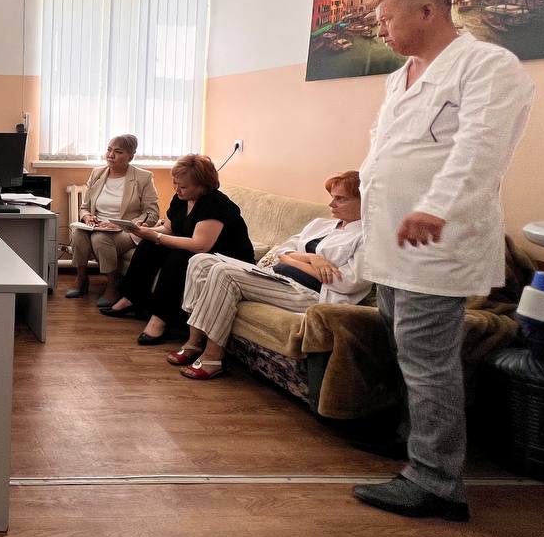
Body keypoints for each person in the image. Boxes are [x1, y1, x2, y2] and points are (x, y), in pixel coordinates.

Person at [352, 0, 534, 521]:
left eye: (386, 20)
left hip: (436, 239)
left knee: (428, 362)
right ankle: (412, 440)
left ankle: (437, 482)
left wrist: (437, 206)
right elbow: (387, 148)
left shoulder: (487, 66)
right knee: (405, 352)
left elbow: (481, 147)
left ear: (428, 12)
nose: (381, 31)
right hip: (391, 239)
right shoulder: (399, 77)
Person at [170, 171, 369, 379]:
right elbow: (283, 252)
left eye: (340, 199)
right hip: (279, 277)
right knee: (201, 261)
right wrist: (312, 259)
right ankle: (194, 341)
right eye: (332, 197)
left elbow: (348, 283)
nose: (331, 204)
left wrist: (294, 261)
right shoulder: (320, 224)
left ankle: (213, 357)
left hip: (311, 293)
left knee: (223, 272)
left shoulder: (366, 237)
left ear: (364, 201)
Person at [107, 154, 254, 344]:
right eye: (175, 183)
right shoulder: (180, 199)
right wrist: (144, 232)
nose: (177, 189)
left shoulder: (215, 204)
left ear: (202, 186)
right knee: (148, 245)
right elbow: (168, 229)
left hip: (226, 258)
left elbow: (200, 245)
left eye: (183, 186)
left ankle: (160, 318)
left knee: (178, 258)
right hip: (196, 249)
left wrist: (156, 236)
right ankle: (131, 298)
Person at [66, 134, 160, 302]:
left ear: (130, 157)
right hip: (97, 226)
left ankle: (112, 286)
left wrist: (122, 225)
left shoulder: (143, 177)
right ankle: (81, 279)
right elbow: (84, 207)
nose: (111, 155)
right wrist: (87, 217)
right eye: (109, 150)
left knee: (100, 238)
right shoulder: (97, 173)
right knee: (79, 233)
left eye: (118, 152)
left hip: (126, 231)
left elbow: (152, 213)